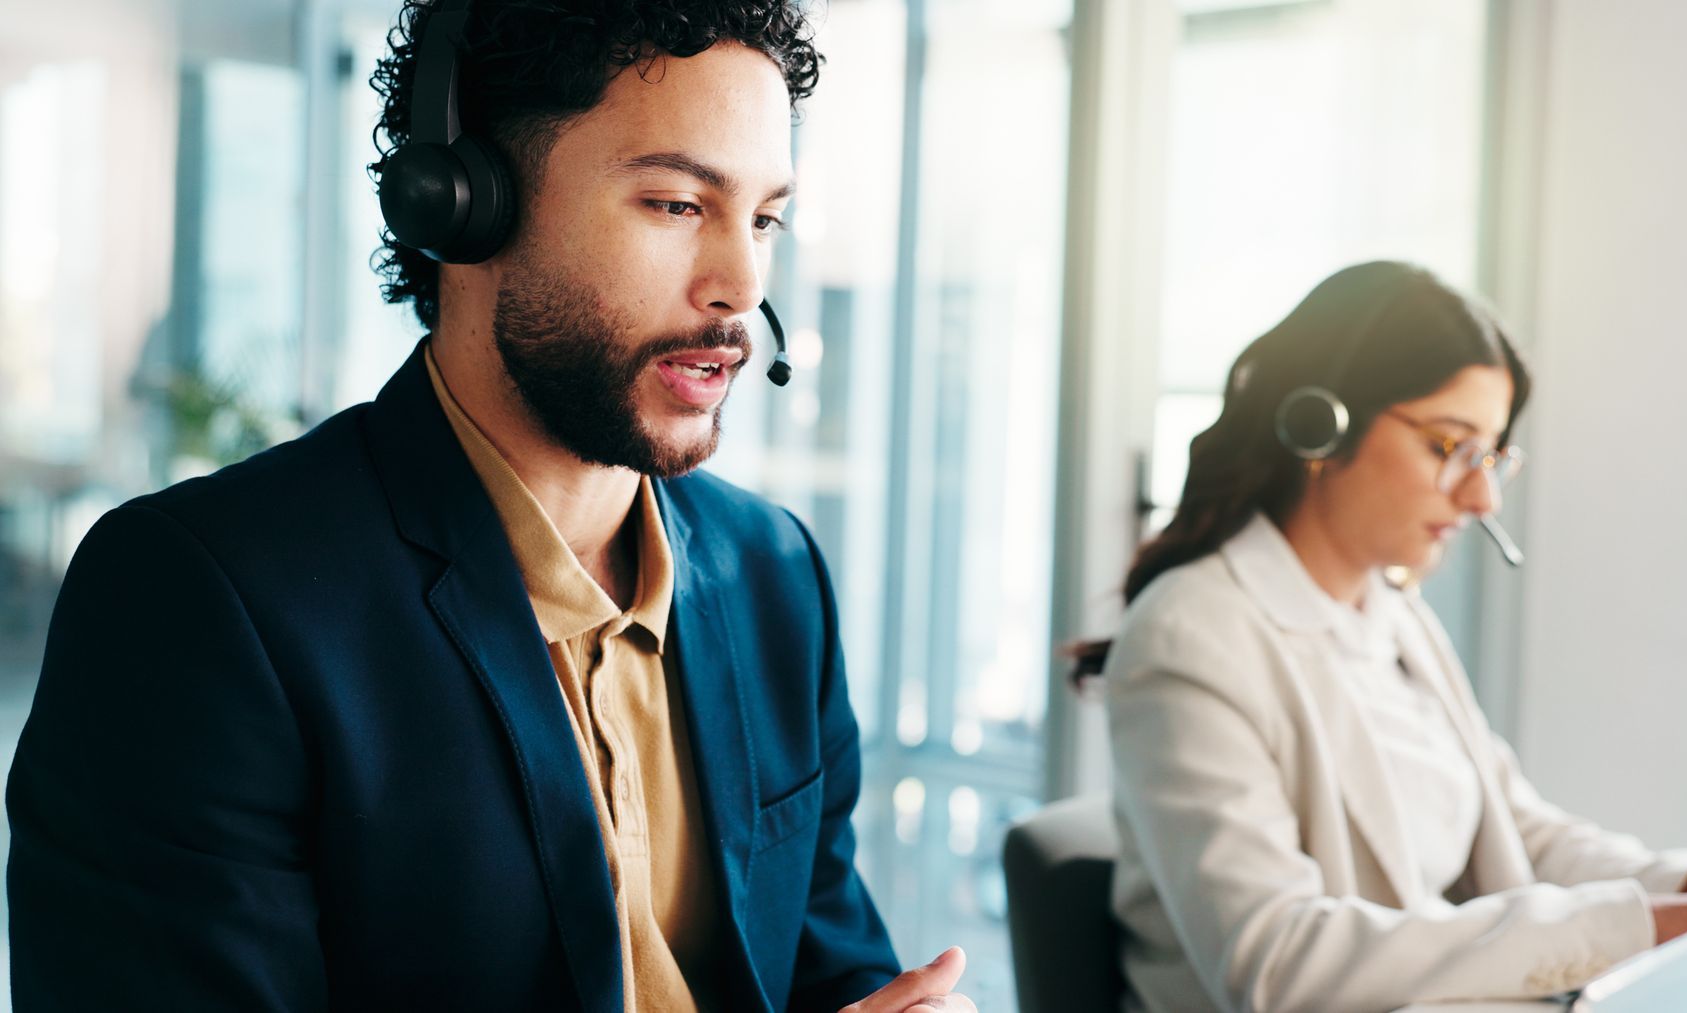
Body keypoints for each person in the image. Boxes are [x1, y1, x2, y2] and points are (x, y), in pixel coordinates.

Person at [5, 2, 973, 1010]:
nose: (740, 284)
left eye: (765, 217)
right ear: (461, 203)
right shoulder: (198, 601)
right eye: (678, 204)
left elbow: (824, 959)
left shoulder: (776, 572)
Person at [1078, 261, 1687, 1013]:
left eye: (1493, 455)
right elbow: (1276, 955)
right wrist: (1640, 926)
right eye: (1449, 447)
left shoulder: (1389, 614)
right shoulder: (1192, 633)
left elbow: (1518, 828)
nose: (1481, 496)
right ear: (1319, 427)